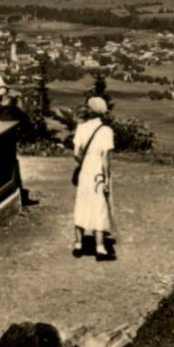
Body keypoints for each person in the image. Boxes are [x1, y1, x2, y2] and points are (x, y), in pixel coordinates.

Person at [72, 97, 117, 261]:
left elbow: (76, 153)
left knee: (82, 203)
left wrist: (83, 164)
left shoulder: (81, 127)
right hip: (98, 171)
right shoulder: (106, 131)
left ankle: (78, 244)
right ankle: (100, 248)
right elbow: (105, 158)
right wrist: (106, 179)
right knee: (100, 205)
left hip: (85, 170)